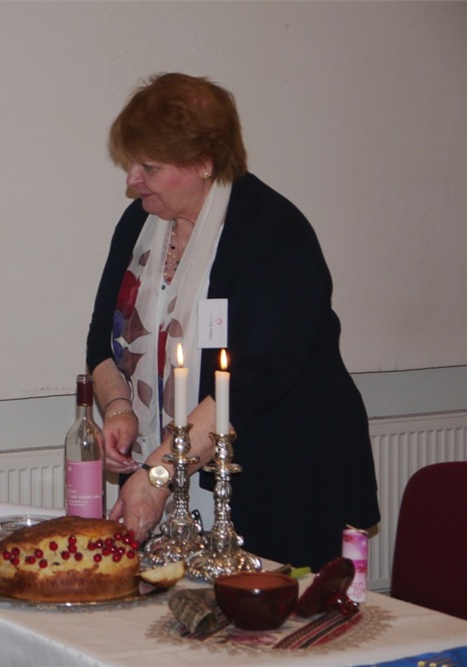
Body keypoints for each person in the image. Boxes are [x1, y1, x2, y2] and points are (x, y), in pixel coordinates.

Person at [86, 73, 379, 571]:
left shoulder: (273, 235)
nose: (132, 180)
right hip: (177, 468)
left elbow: (249, 386)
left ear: (204, 161)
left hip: (281, 480)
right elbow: (101, 338)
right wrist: (119, 409)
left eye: (149, 167)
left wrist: (158, 476)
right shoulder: (141, 223)